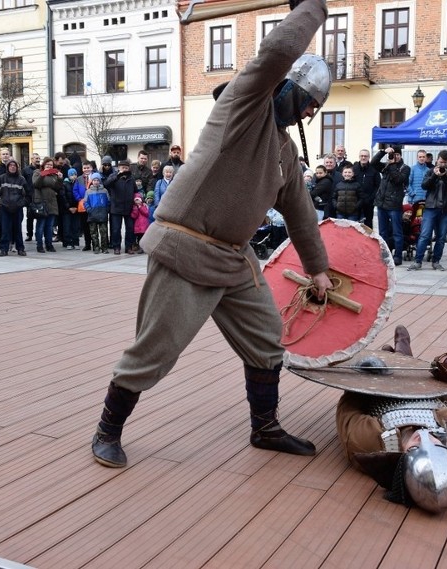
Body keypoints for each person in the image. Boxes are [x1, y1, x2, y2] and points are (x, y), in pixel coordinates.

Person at [90, 0, 333, 469]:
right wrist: (313, 6)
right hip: (184, 248)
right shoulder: (243, 105)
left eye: (313, 109)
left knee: (266, 339)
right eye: (305, 101)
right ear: (285, 87)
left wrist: (318, 270)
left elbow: (301, 214)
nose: (306, 113)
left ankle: (265, 427)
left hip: (234, 259)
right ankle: (107, 431)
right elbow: (280, 48)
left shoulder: (283, 151)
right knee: (155, 351)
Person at [336, 326, 447, 513]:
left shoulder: (368, 442)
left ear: (402, 463)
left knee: (378, 365)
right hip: (436, 391)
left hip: (383, 393)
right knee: (418, 369)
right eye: (436, 445)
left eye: (415, 449)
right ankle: (403, 358)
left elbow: (348, 410)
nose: (422, 438)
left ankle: (397, 359)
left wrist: (368, 378)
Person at [409, 149, 447, 271]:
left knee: (441, 237)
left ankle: (436, 261)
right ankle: (417, 261)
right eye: (440, 162)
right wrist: (435, 175)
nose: (442, 165)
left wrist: (444, 176)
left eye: (445, 163)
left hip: (445, 210)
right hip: (430, 208)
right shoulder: (430, 171)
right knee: (424, 235)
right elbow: (424, 186)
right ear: (437, 160)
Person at [373, 146, 410, 265]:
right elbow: (373, 163)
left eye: (397, 154)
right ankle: (385, 255)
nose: (395, 157)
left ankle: (398, 255)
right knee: (383, 232)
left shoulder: (405, 168)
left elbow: (398, 180)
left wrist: (392, 165)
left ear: (401, 155)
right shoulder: (386, 165)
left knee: (397, 232)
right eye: (393, 154)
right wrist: (383, 152)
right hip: (382, 203)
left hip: (394, 205)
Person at [0, 159, 28, 257]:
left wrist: (21, 204)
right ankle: (4, 249)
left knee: (18, 229)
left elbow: (28, 194)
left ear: (17, 168)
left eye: (14, 165)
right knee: (5, 230)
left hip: (17, 208)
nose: (12, 167)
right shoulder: (1, 178)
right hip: (4, 208)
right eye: (10, 165)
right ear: (7, 167)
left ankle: (20, 249)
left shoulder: (21, 179)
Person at [104, 159, 137, 255]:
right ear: (119, 168)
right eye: (123, 167)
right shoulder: (113, 176)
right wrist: (117, 176)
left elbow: (135, 190)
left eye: (126, 168)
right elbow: (106, 184)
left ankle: (128, 247)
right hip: (116, 206)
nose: (125, 169)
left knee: (130, 228)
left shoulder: (131, 178)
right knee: (116, 229)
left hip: (129, 207)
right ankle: (116, 247)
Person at [31, 157, 61, 253]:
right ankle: (39, 245)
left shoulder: (54, 175)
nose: (49, 166)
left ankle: (49, 245)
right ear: (43, 165)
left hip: (51, 202)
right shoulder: (37, 172)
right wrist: (43, 174)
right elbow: (36, 184)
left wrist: (60, 179)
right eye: (47, 164)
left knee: (49, 226)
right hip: (41, 202)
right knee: (40, 225)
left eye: (51, 165)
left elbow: (57, 187)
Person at [352, 149, 381, 228]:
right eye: (362, 156)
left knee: (368, 225)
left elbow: (378, 186)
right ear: (359, 157)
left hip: (369, 202)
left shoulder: (374, 169)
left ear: (369, 157)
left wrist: (371, 198)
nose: (363, 158)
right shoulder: (354, 169)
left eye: (365, 156)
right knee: (355, 224)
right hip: (356, 202)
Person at [83, 172, 109, 254]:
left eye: (98, 180)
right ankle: (96, 247)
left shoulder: (105, 191)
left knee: (104, 233)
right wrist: (89, 210)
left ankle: (104, 247)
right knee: (93, 233)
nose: (96, 182)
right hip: (92, 215)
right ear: (92, 181)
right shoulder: (88, 191)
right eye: (94, 180)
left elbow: (108, 201)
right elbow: (85, 202)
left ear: (100, 181)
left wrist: (106, 209)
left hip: (103, 214)